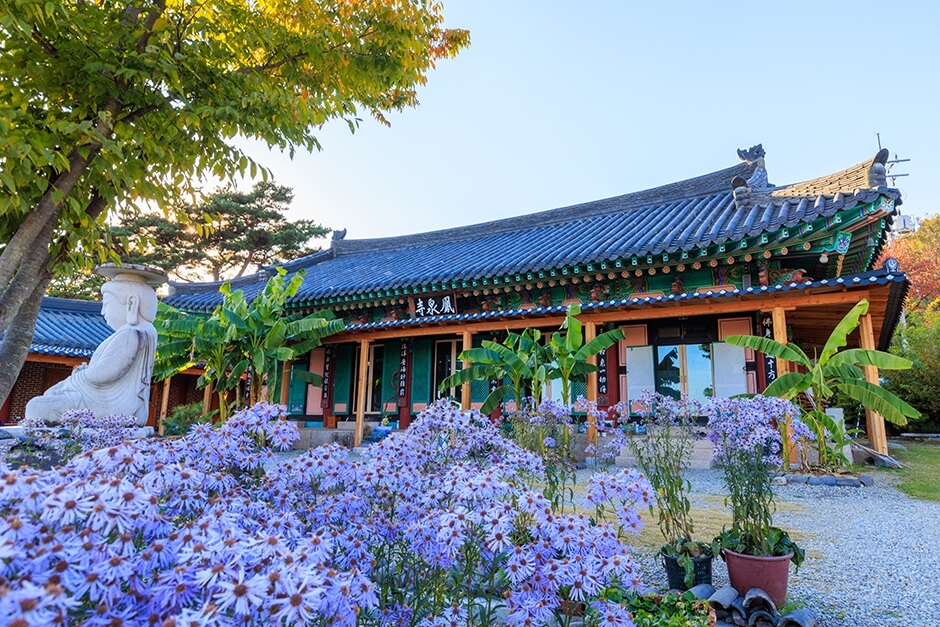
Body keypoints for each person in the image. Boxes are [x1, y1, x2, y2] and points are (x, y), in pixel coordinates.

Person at [25, 266, 165, 426]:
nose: (103, 311)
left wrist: (79, 375)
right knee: (48, 396)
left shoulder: (131, 335)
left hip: (108, 407)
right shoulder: (146, 332)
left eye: (107, 304)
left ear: (131, 303)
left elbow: (104, 375)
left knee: (36, 407)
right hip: (105, 402)